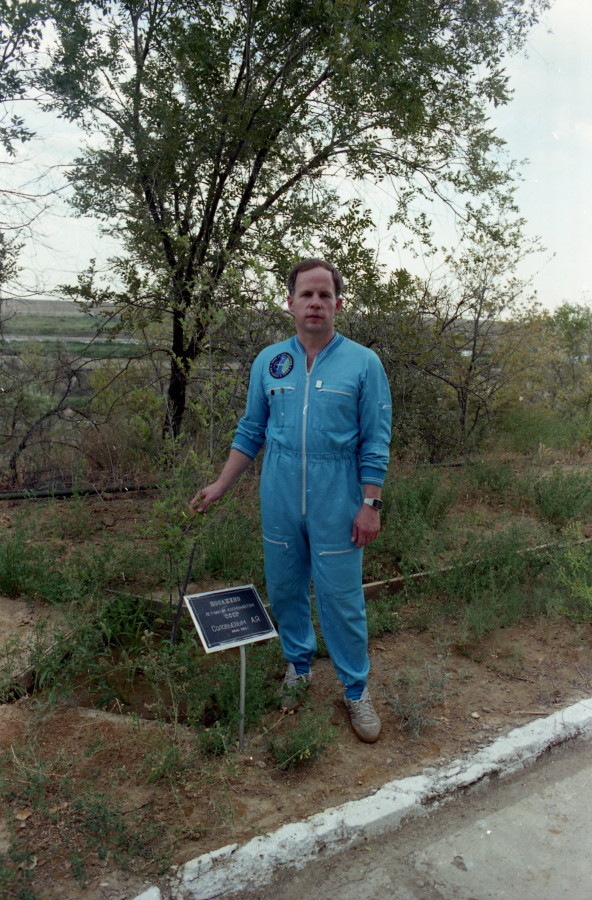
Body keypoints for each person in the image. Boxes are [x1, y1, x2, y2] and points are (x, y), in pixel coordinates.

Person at [189, 259, 392, 742]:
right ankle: (298, 667)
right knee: (284, 589)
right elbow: (251, 430)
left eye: (325, 295)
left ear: (338, 304)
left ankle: (355, 690)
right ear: (291, 303)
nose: (315, 303)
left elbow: (375, 439)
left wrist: (371, 504)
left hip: (338, 492)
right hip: (279, 489)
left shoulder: (363, 363)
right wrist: (221, 484)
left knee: (341, 599)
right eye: (307, 294)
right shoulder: (269, 361)